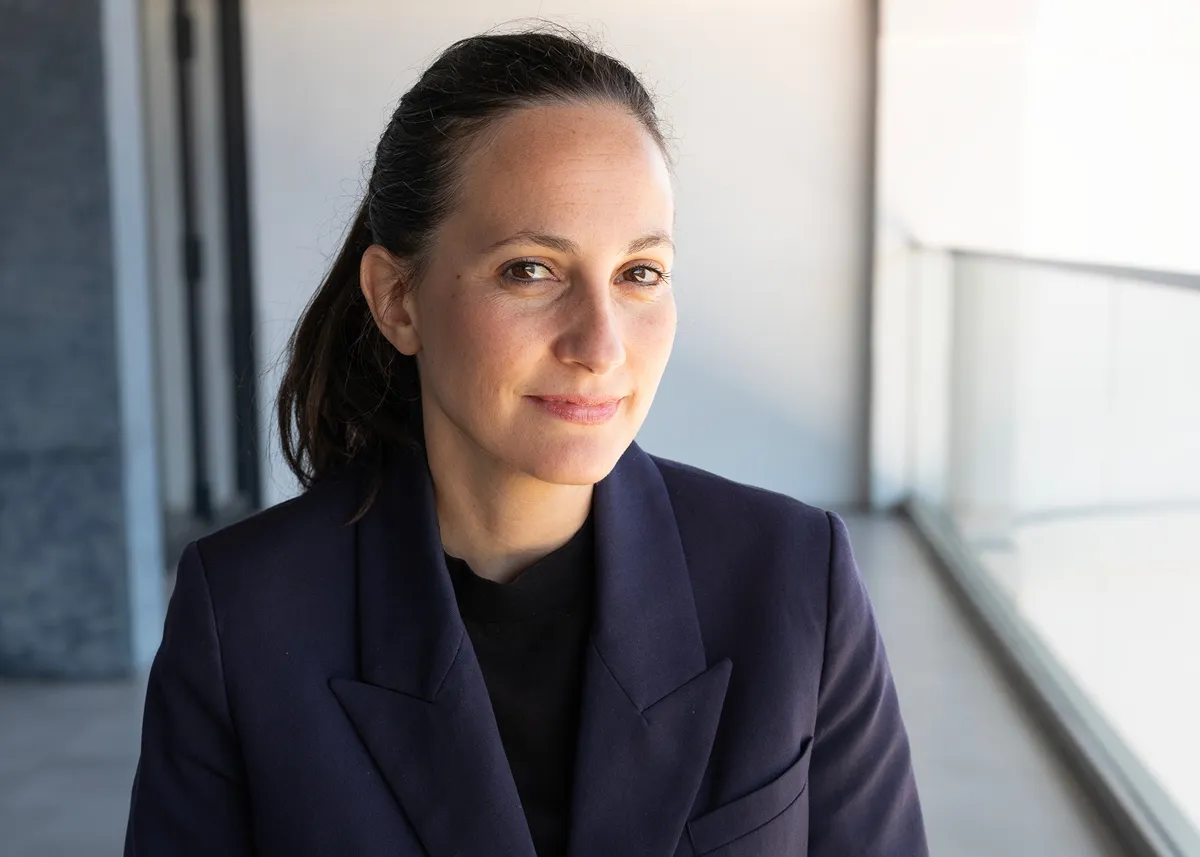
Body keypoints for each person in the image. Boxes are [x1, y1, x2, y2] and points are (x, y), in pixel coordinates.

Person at [124, 25, 928, 857]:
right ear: (398, 299)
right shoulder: (244, 614)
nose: (601, 345)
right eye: (531, 270)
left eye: (638, 273)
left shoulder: (795, 578)